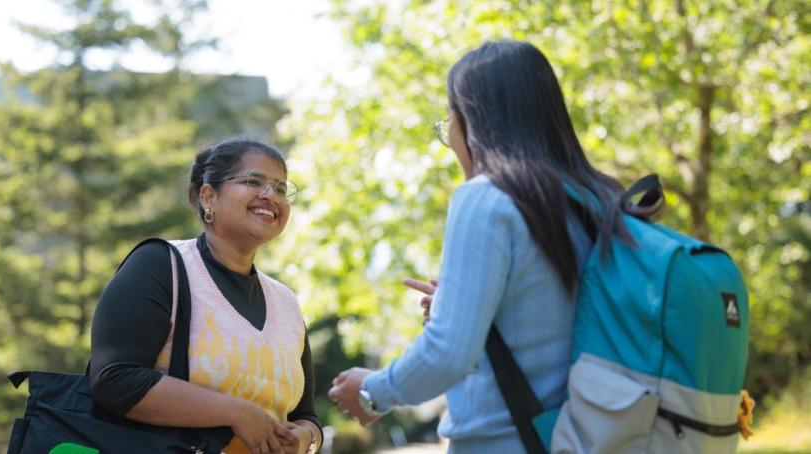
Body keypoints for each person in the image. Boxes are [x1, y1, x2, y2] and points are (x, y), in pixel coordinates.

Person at [328, 40, 630, 453]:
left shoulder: (486, 198)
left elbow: (448, 355)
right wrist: (460, 306)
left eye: (449, 119)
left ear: (472, 122)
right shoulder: (597, 198)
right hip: (591, 436)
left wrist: (373, 391)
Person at [90, 138, 322, 454]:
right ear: (208, 196)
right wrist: (235, 413)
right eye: (254, 182)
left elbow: (306, 415)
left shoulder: (287, 303)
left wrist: (307, 438)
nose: (271, 196)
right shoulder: (161, 265)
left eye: (281, 188)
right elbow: (116, 379)